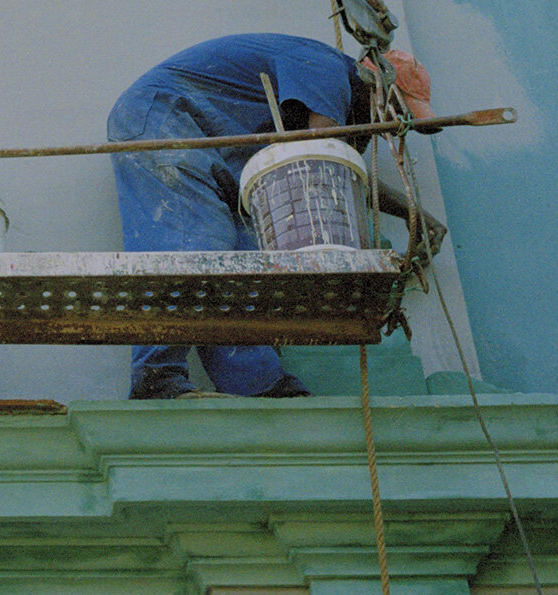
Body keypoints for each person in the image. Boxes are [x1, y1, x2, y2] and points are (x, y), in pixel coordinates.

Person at [108, 33, 435, 400]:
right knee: (195, 243)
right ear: (375, 84)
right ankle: (156, 376)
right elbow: (320, 157)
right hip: (167, 116)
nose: (390, 126)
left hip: (222, 160)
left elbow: (333, 166)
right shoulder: (326, 67)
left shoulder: (342, 108)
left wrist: (411, 211)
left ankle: (256, 381)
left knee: (244, 264)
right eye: (394, 112)